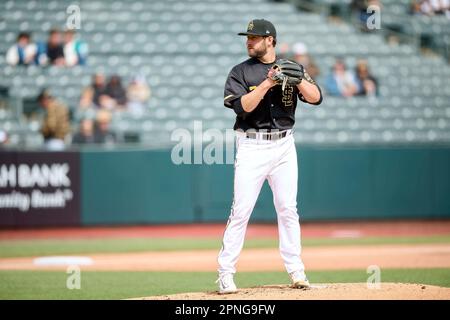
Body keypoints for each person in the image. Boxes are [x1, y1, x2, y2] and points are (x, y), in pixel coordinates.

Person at [217, 19, 322, 294]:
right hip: (252, 145)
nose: (249, 41)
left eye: (255, 37)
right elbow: (242, 107)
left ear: (270, 40)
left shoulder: (292, 66)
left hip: (285, 145)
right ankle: (225, 274)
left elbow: (315, 97)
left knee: (288, 209)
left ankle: (296, 271)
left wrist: (297, 78)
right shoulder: (240, 72)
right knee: (240, 212)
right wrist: (267, 83)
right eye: (248, 37)